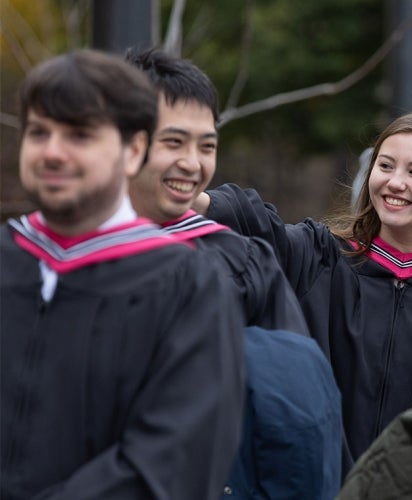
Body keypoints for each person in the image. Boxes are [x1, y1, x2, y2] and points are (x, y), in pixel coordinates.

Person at [0, 49, 245, 499]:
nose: (52, 152)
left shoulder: (189, 287)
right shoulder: (7, 258)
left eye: (79, 135)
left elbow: (173, 462)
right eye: (39, 132)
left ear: (133, 150)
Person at [194, 109, 412, 470]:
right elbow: (258, 227)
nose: (394, 182)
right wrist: (193, 198)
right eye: (386, 166)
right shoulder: (322, 259)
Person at [124, 48, 342, 499]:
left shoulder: (242, 261)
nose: (193, 163)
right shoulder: (46, 261)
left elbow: (297, 419)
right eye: (173, 142)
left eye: (206, 146)